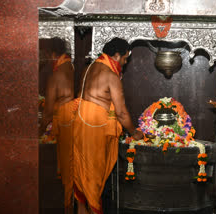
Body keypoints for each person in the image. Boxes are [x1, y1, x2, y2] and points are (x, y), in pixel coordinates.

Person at [73, 37, 143, 214]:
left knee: (82, 178)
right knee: (93, 180)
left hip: (80, 125)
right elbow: (121, 113)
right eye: (125, 58)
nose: (125, 63)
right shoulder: (111, 76)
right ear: (117, 55)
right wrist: (134, 133)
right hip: (95, 129)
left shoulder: (89, 69)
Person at [40, 37, 75, 214]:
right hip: (77, 122)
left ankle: (67, 208)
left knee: (66, 173)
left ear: (52, 54)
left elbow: (46, 113)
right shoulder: (72, 67)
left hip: (66, 125)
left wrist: (37, 132)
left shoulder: (56, 74)